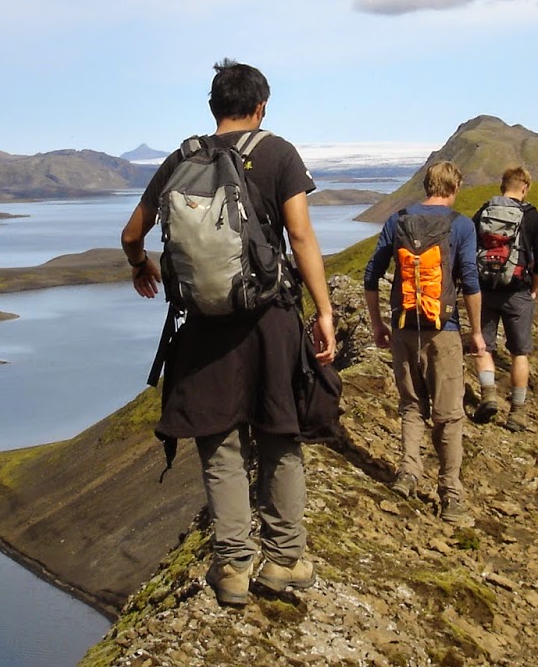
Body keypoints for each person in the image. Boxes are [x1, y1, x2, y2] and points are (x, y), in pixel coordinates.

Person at [120, 60, 336, 607]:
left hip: (203, 329)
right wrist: (324, 310)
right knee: (280, 434)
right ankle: (285, 560)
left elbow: (131, 234)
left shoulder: (180, 160)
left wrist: (139, 266)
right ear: (261, 106)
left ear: (214, 107)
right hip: (270, 322)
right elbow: (302, 236)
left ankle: (233, 567)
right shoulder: (278, 152)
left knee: (220, 444)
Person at [362, 160, 487, 527]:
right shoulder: (461, 225)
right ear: (455, 188)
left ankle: (407, 474)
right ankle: (450, 495)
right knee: (448, 415)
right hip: (443, 330)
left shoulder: (398, 220)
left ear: (427, 185)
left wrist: (377, 324)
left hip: (403, 326)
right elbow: (470, 281)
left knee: (411, 406)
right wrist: (476, 332)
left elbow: (372, 275)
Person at [472, 165, 538, 431]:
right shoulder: (533, 217)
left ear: (502, 185)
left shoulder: (483, 212)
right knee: (520, 353)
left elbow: (469, 250)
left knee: (483, 346)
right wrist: (534, 289)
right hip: (518, 291)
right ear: (525, 187)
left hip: (485, 290)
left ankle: (489, 395)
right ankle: (517, 412)